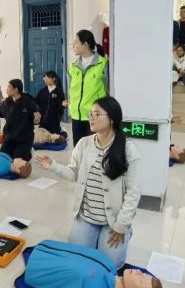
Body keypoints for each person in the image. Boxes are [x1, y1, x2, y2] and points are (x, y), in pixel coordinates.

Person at [35, 97, 141, 268]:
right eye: (90, 113)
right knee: (77, 260)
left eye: (97, 114)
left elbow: (133, 192)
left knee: (110, 264)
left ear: (112, 119)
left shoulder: (128, 150)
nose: (91, 117)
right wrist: (53, 166)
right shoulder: (84, 144)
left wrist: (121, 225)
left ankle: (126, 231)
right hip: (87, 216)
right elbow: (74, 174)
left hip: (113, 220)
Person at [24, 240, 164, 288]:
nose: (138, 271)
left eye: (141, 280)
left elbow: (61, 285)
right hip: (45, 248)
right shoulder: (109, 265)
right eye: (143, 273)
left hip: (37, 262)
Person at [0, 79, 39, 161]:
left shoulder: (29, 103)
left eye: (9, 87)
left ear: (16, 89)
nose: (6, 89)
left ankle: (28, 153)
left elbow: (35, 121)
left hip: (24, 139)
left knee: (18, 162)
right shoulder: (7, 102)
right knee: (2, 159)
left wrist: (36, 120)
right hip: (9, 138)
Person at [68, 30, 109, 146]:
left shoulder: (103, 64)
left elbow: (109, 91)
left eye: (76, 42)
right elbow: (71, 89)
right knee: (78, 149)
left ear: (85, 44)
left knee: (95, 149)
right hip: (76, 115)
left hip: (95, 116)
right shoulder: (73, 67)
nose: (73, 45)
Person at [34, 71, 66, 136]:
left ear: (53, 79)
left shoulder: (59, 92)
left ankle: (63, 133)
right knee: (41, 138)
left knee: (54, 138)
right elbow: (35, 101)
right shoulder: (43, 91)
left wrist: (63, 106)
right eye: (44, 78)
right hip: (43, 121)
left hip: (54, 121)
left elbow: (61, 108)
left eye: (47, 78)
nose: (45, 80)